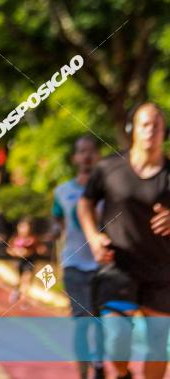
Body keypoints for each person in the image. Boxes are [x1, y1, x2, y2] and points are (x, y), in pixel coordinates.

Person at [79, 103, 170, 379]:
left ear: (164, 132)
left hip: (162, 271)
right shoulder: (108, 167)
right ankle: (122, 374)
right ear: (132, 130)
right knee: (117, 338)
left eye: (157, 125)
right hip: (118, 268)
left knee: (157, 347)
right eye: (145, 124)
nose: (151, 131)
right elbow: (85, 202)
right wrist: (93, 237)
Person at [52, 134, 104, 379]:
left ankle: (100, 366)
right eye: (82, 151)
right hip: (74, 265)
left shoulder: (109, 190)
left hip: (103, 265)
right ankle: (84, 374)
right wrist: (53, 230)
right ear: (75, 158)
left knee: (102, 321)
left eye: (91, 151)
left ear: (98, 156)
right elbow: (57, 220)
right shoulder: (63, 191)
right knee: (83, 322)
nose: (87, 156)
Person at [6, 217, 46, 307]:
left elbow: (40, 248)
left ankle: (24, 300)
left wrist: (40, 250)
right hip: (18, 262)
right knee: (18, 280)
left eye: (26, 227)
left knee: (26, 280)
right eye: (22, 227)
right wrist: (16, 252)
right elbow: (9, 250)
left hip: (29, 262)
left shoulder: (33, 238)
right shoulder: (15, 238)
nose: (24, 230)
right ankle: (16, 290)